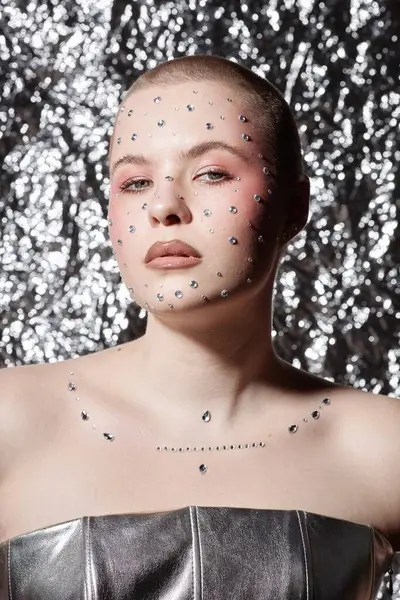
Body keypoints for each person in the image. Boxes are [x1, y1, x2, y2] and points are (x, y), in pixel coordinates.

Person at [0, 54, 398, 599]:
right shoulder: (11, 422)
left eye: (212, 172)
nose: (164, 206)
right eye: (135, 182)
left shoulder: (381, 445)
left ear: (293, 208)